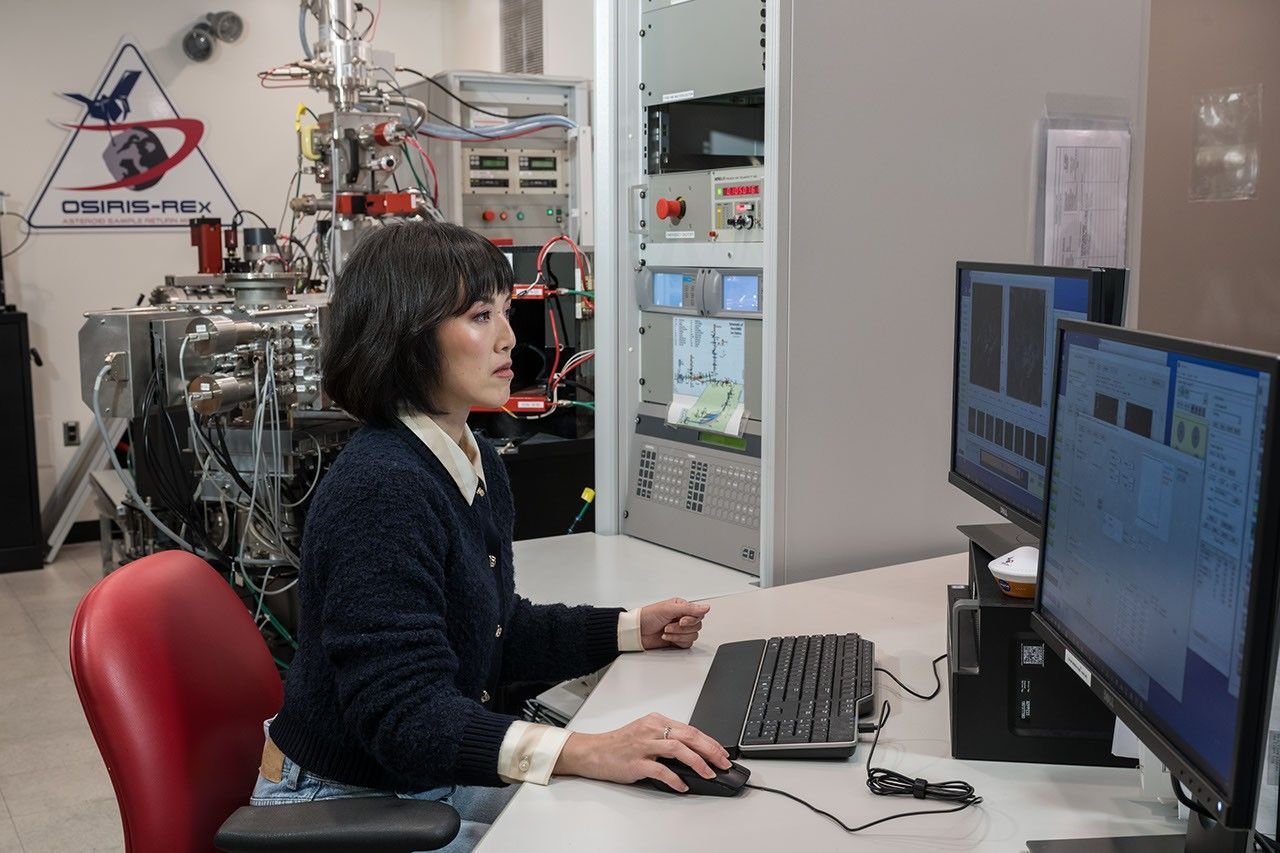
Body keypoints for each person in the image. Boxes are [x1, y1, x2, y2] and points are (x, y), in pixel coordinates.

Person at [250, 221, 731, 850]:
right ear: (406, 335)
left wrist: (626, 629)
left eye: (506, 311)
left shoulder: (470, 461)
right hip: (343, 800)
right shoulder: (382, 489)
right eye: (481, 316)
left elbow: (496, 627)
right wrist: (585, 749)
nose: (509, 337)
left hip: (416, 777)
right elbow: (404, 716)